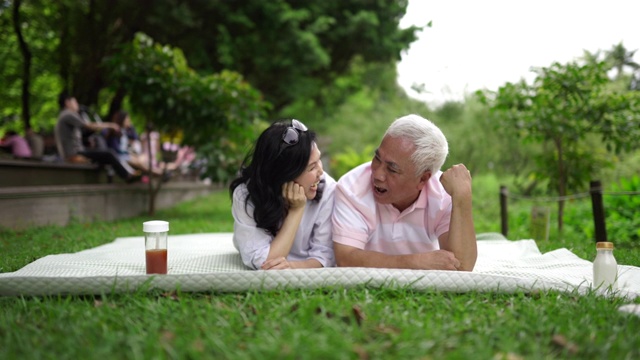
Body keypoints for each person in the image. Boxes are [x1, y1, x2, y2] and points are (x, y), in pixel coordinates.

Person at [331, 114, 477, 271]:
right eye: (377, 158)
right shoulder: (352, 188)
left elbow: (462, 267)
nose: (378, 175)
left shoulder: (444, 195)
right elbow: (346, 259)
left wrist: (462, 197)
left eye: (392, 169)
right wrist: (416, 262)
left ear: (423, 179)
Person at [229, 119, 336, 270]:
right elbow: (263, 262)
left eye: (319, 160)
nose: (320, 172)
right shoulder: (246, 193)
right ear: (284, 175)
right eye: (311, 168)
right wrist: (296, 210)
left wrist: (293, 266)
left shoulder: (328, 189)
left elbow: (325, 256)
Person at [54, 92, 141, 183]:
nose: (77, 104)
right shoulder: (68, 114)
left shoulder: (64, 115)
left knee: (104, 153)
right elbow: (89, 126)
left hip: (76, 151)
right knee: (109, 153)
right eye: (75, 102)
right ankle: (127, 176)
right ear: (67, 102)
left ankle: (121, 175)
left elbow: (83, 132)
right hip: (74, 153)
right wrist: (110, 125)